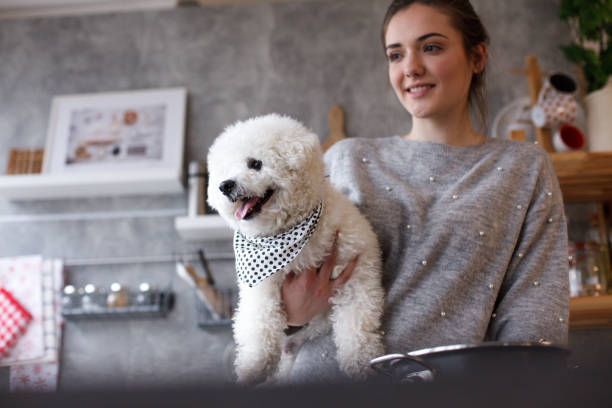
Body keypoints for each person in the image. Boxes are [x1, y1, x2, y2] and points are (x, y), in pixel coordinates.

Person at [281, 0, 569, 382]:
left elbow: (534, 321)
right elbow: (277, 286)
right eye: (395, 54)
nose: (411, 68)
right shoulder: (346, 158)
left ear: (477, 57)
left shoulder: (523, 169)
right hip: (324, 387)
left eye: (431, 47)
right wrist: (291, 317)